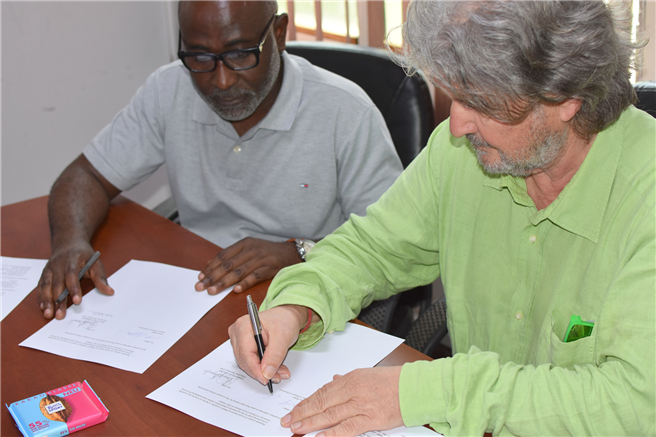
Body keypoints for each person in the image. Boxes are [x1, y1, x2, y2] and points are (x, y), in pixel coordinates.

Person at [228, 0, 655, 435]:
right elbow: (372, 248)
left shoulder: (647, 198)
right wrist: (296, 305)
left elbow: (635, 404)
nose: (456, 125)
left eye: (481, 102)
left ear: (565, 96)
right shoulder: (463, 156)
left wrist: (428, 392)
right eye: (455, 95)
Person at [37, 0, 403, 320]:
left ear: (278, 33)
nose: (222, 81)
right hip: (194, 297)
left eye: (240, 53)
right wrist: (70, 242)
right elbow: (87, 175)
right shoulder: (170, 89)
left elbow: (393, 249)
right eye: (199, 57)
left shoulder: (346, 112)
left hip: (305, 303)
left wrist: (300, 253)